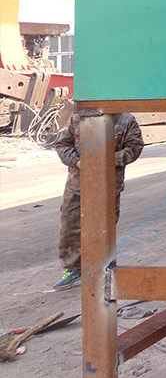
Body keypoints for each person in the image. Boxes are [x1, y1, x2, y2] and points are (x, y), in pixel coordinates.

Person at [54, 112, 144, 289]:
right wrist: (78, 162)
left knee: (105, 225)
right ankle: (74, 269)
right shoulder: (78, 117)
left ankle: (104, 267)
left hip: (109, 182)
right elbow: (62, 144)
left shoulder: (126, 120)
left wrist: (107, 160)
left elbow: (135, 147)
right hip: (78, 183)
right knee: (71, 225)